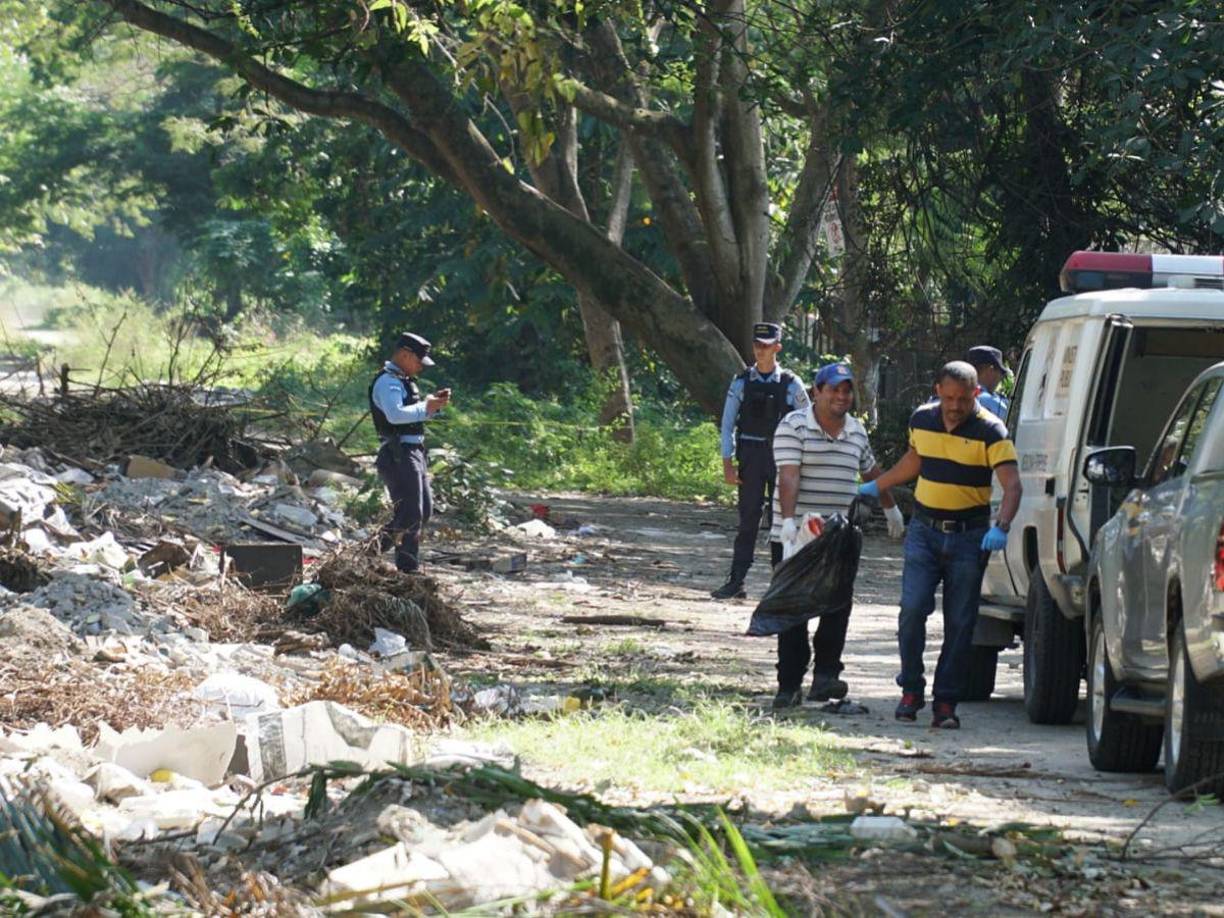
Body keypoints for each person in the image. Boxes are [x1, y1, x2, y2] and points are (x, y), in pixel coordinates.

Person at [859, 361, 1021, 728]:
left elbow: (1013, 485)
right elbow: (915, 460)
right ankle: (911, 688)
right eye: (948, 397)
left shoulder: (991, 431)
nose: (954, 406)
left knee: (961, 622)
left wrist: (1003, 526)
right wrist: (879, 484)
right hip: (925, 531)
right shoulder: (922, 420)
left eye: (963, 399)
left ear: (976, 394)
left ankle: (946, 702)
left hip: (969, 536)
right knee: (912, 610)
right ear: (937, 391)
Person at [769, 362, 904, 708]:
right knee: (793, 608)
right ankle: (789, 684)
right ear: (817, 392)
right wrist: (788, 521)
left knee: (837, 606)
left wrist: (890, 507)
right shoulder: (794, 426)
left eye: (847, 390)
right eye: (834, 389)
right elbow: (788, 475)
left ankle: (826, 676)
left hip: (840, 535)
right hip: (797, 535)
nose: (841, 396)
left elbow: (873, 472)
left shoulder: (856, 431)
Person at [711, 323, 811, 600]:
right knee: (748, 520)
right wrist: (727, 463)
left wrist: (803, 462)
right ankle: (736, 580)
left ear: (777, 347)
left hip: (782, 458)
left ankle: (780, 584)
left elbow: (808, 422)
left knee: (780, 522)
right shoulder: (742, 381)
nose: (760, 350)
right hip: (751, 457)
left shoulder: (791, 384)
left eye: (766, 345)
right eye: (757, 345)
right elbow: (728, 423)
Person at [370, 332, 451, 573]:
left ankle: (369, 552)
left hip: (413, 451)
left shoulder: (403, 380)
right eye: (418, 361)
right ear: (405, 355)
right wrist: (425, 406)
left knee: (422, 510)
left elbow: (413, 415)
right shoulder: (388, 382)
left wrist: (432, 407)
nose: (420, 368)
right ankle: (406, 566)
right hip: (398, 453)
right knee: (410, 512)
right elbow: (395, 415)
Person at [965, 345, 1010, 420]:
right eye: (1000, 373)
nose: (1000, 378)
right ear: (990, 370)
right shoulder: (990, 402)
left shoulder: (957, 399)